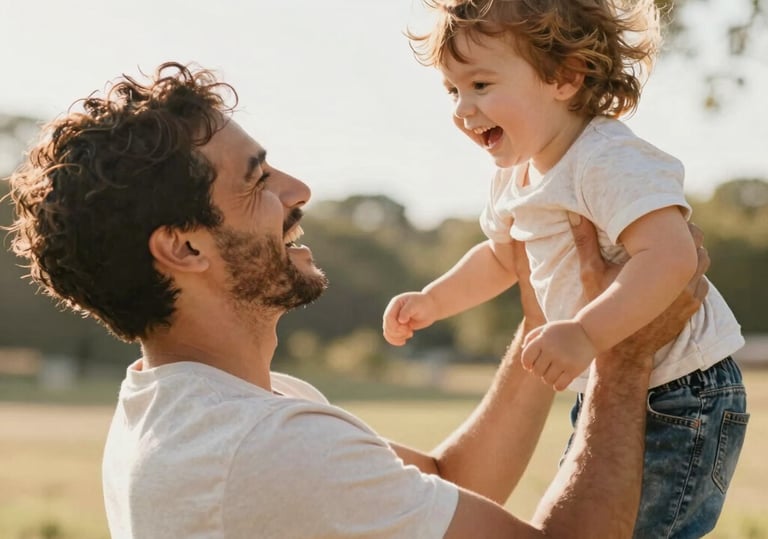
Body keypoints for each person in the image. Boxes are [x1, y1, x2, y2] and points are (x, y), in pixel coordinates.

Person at [8, 61, 706, 538]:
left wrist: (541, 320)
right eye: (258, 181)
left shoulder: (199, 403)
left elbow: (447, 480)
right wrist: (623, 356)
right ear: (186, 249)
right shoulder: (262, 446)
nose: (298, 189)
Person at [382, 1, 749, 537]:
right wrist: (434, 300)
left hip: (683, 386)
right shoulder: (514, 175)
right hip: (613, 383)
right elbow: (502, 256)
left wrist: (585, 332)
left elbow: (672, 257)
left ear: (564, 77)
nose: (463, 108)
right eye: (453, 90)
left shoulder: (605, 159)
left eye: (481, 84)